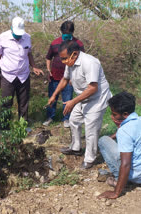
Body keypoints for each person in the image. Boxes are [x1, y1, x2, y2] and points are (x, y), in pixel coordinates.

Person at [47, 40, 112, 169]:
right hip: (83, 97)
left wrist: (72, 102)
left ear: (75, 54)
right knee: (74, 120)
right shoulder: (70, 63)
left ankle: (89, 159)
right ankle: (76, 147)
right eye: (62, 59)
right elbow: (65, 79)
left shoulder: (90, 63)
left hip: (97, 99)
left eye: (65, 58)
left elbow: (93, 88)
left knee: (91, 130)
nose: (63, 61)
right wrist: (54, 95)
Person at [98, 92, 141, 199]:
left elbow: (126, 164)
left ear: (125, 114)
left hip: (138, 178)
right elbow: (129, 132)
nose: (112, 116)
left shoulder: (124, 131)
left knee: (103, 140)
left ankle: (121, 180)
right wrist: (116, 132)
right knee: (111, 140)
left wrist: (116, 193)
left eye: (114, 114)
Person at [0, 16, 43, 123]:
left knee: (24, 102)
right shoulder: (2, 37)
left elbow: (29, 54)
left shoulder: (27, 37)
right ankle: (4, 127)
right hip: (7, 76)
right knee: (6, 103)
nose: (18, 36)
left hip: (23, 75)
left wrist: (34, 66)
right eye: (16, 34)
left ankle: (22, 125)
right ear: (11, 28)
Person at [43, 20, 85, 128]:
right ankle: (50, 117)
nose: (66, 35)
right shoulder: (55, 43)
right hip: (55, 76)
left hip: (70, 78)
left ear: (72, 32)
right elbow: (48, 58)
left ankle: (66, 118)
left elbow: (82, 60)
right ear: (61, 31)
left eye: (68, 33)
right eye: (64, 33)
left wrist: (75, 76)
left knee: (67, 98)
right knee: (53, 97)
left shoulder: (78, 44)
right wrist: (49, 70)